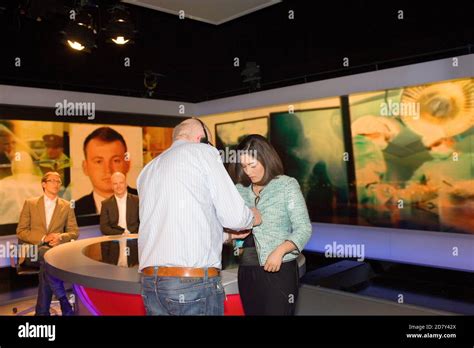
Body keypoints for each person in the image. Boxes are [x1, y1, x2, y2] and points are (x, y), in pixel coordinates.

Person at [138, 118, 261, 316]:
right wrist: (253, 217)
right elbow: (236, 217)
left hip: (151, 285)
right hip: (192, 285)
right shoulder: (203, 152)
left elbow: (169, 226)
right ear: (200, 138)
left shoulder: (149, 169)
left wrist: (226, 237)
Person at [230, 134, 312, 315]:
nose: (248, 171)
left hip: (279, 269)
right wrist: (233, 236)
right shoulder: (239, 190)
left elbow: (304, 228)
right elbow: (232, 229)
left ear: (266, 160)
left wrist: (280, 251)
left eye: (252, 165)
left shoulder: (286, 185)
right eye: (244, 166)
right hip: (247, 269)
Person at [16, 171, 79, 316]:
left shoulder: (66, 206)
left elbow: (74, 232)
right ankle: (63, 300)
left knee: (47, 264)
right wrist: (44, 237)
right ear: (44, 184)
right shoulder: (30, 204)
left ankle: (42, 312)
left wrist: (60, 237)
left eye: (58, 182)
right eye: (52, 181)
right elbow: (21, 231)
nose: (56, 184)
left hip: (53, 252)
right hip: (30, 251)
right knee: (47, 257)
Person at [75, 127, 137, 216]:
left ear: (127, 165)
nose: (108, 170)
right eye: (98, 161)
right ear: (85, 167)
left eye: (116, 160)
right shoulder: (72, 213)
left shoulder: (147, 201)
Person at [0, 152, 43, 224]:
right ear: (31, 167)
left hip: (6, 231)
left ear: (12, 168)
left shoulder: (2, 184)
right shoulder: (43, 183)